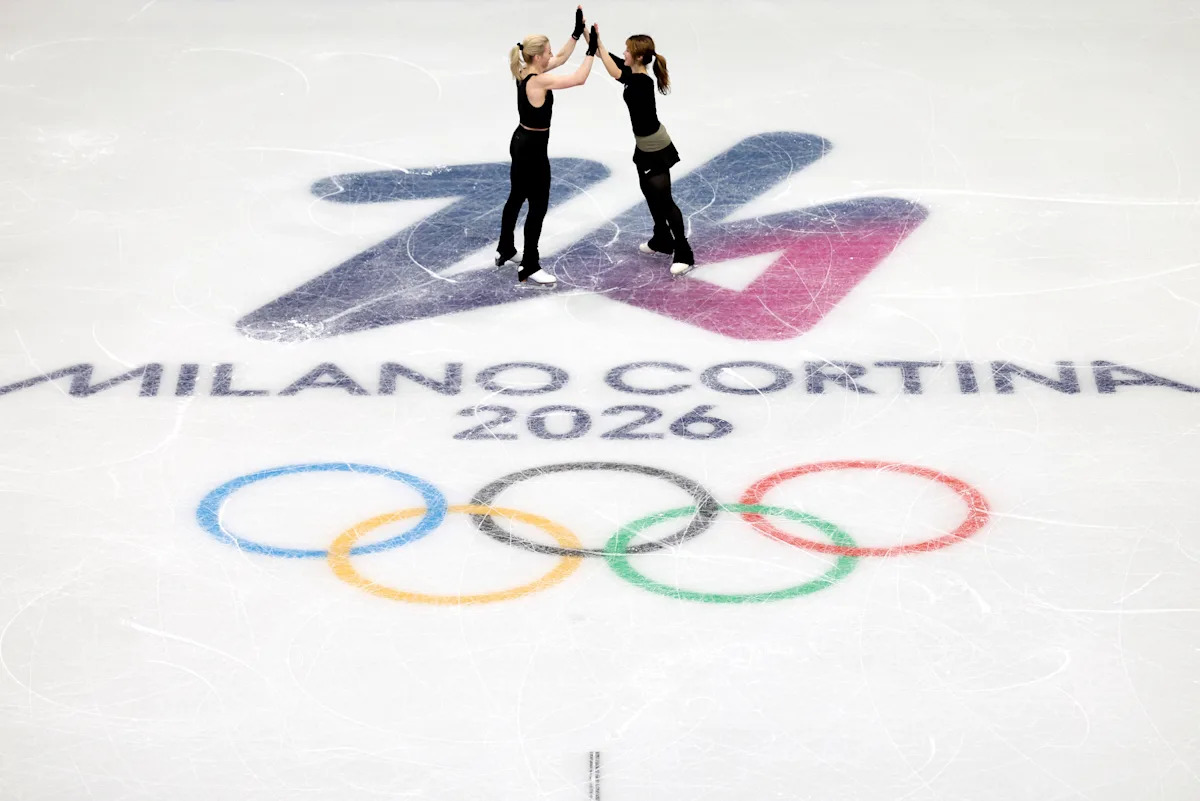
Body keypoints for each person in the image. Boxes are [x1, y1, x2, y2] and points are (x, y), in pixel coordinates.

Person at [496, 9, 598, 288]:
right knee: (538, 206)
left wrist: (575, 34)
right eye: (548, 51)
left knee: (517, 196)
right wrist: (591, 49)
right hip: (532, 151)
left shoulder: (525, 70)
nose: (552, 54)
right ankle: (530, 264)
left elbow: (562, 57)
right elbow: (578, 78)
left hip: (521, 142)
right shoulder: (539, 80)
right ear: (538, 56)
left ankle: (506, 247)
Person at [596, 32, 694, 275]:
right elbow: (607, 57)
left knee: (664, 200)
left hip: (656, 148)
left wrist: (597, 44)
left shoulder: (641, 82)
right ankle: (662, 238)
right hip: (643, 146)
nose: (624, 53)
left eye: (627, 50)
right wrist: (590, 35)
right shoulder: (633, 73)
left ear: (639, 56)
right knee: (649, 193)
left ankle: (684, 251)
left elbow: (613, 70)